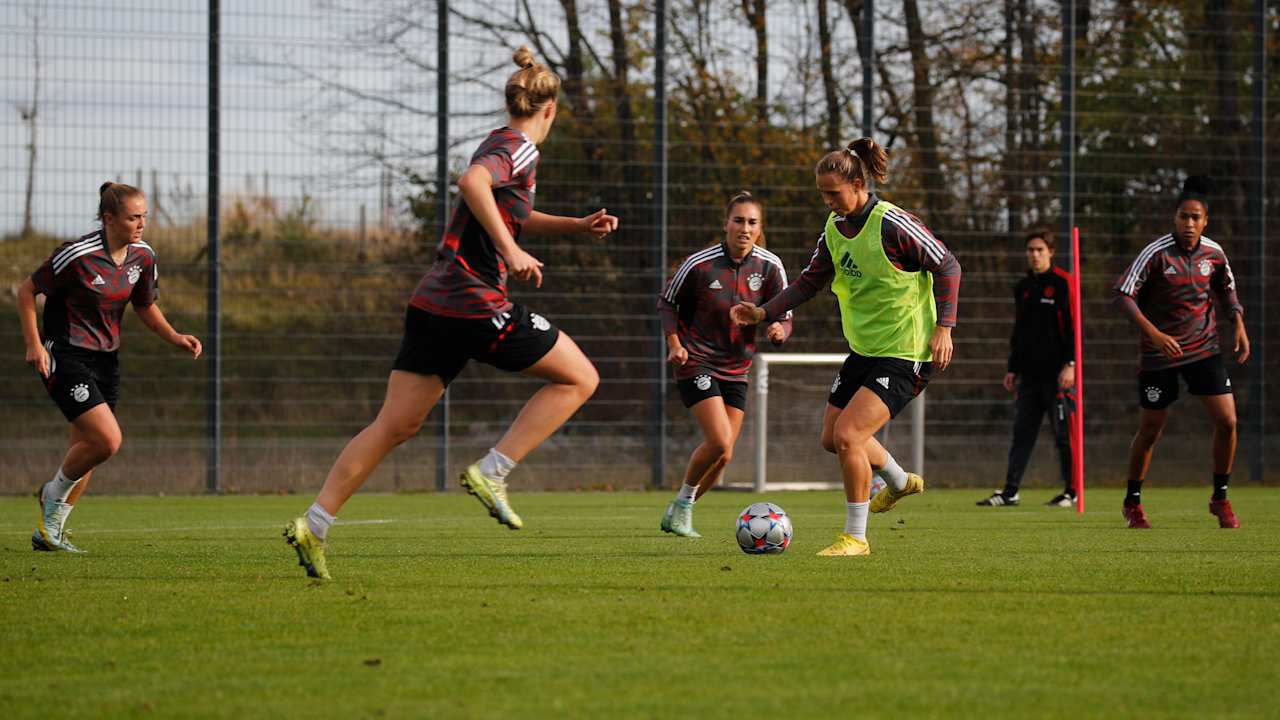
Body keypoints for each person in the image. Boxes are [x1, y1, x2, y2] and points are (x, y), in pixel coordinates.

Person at [283, 46, 619, 579]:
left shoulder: (499, 141)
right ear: (550, 110)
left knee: (395, 424)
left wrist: (574, 226)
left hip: (434, 303)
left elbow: (513, 211)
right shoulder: (520, 149)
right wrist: (510, 251)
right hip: (474, 302)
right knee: (580, 378)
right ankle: (494, 470)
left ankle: (315, 523)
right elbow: (473, 183)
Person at [731, 137, 961, 557]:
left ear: (858, 185)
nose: (828, 201)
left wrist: (944, 327)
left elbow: (947, 264)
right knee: (831, 438)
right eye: (823, 194)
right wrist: (763, 312)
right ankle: (898, 480)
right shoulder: (834, 230)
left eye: (833, 193)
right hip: (865, 350)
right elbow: (809, 282)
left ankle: (856, 537)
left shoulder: (893, 224)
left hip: (906, 351)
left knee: (851, 435)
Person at [18, 182, 202, 552]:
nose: (142, 224)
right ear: (109, 218)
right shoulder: (76, 255)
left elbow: (144, 305)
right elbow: (26, 291)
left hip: (106, 360)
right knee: (107, 440)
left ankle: (49, 531)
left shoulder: (143, 256)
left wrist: (174, 336)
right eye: (134, 217)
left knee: (87, 448)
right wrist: (34, 344)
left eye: (144, 216)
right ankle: (51, 493)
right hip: (65, 355)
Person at [1112, 175, 1247, 529]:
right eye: (1183, 216)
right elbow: (1123, 295)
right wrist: (1154, 334)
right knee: (1151, 429)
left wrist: (1238, 322)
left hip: (1204, 349)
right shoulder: (1156, 253)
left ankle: (1220, 498)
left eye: (1195, 217)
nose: (1188, 223)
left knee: (1228, 421)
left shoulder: (1214, 254)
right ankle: (1132, 502)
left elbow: (1226, 288)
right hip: (1159, 355)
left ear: (1205, 221)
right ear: (1174, 218)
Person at [657, 191, 793, 537]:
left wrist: (779, 329)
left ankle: (680, 508)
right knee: (719, 441)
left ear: (760, 228)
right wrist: (674, 344)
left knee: (725, 455)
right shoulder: (700, 264)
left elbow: (784, 313)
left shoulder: (770, 266)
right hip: (697, 360)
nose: (744, 228)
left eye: (752, 222)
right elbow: (667, 303)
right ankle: (683, 508)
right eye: (738, 221)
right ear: (726, 223)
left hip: (737, 368)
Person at [978, 228, 1076, 508]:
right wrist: (1013, 368)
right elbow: (1020, 331)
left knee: (1063, 435)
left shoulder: (1063, 284)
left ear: (1051, 252)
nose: (1035, 255)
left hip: (1058, 376)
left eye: (1040, 250)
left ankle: (1072, 491)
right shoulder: (1023, 287)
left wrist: (1070, 365)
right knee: (1022, 434)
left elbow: (1073, 328)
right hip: (1029, 377)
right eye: (1031, 250)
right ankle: (1010, 491)